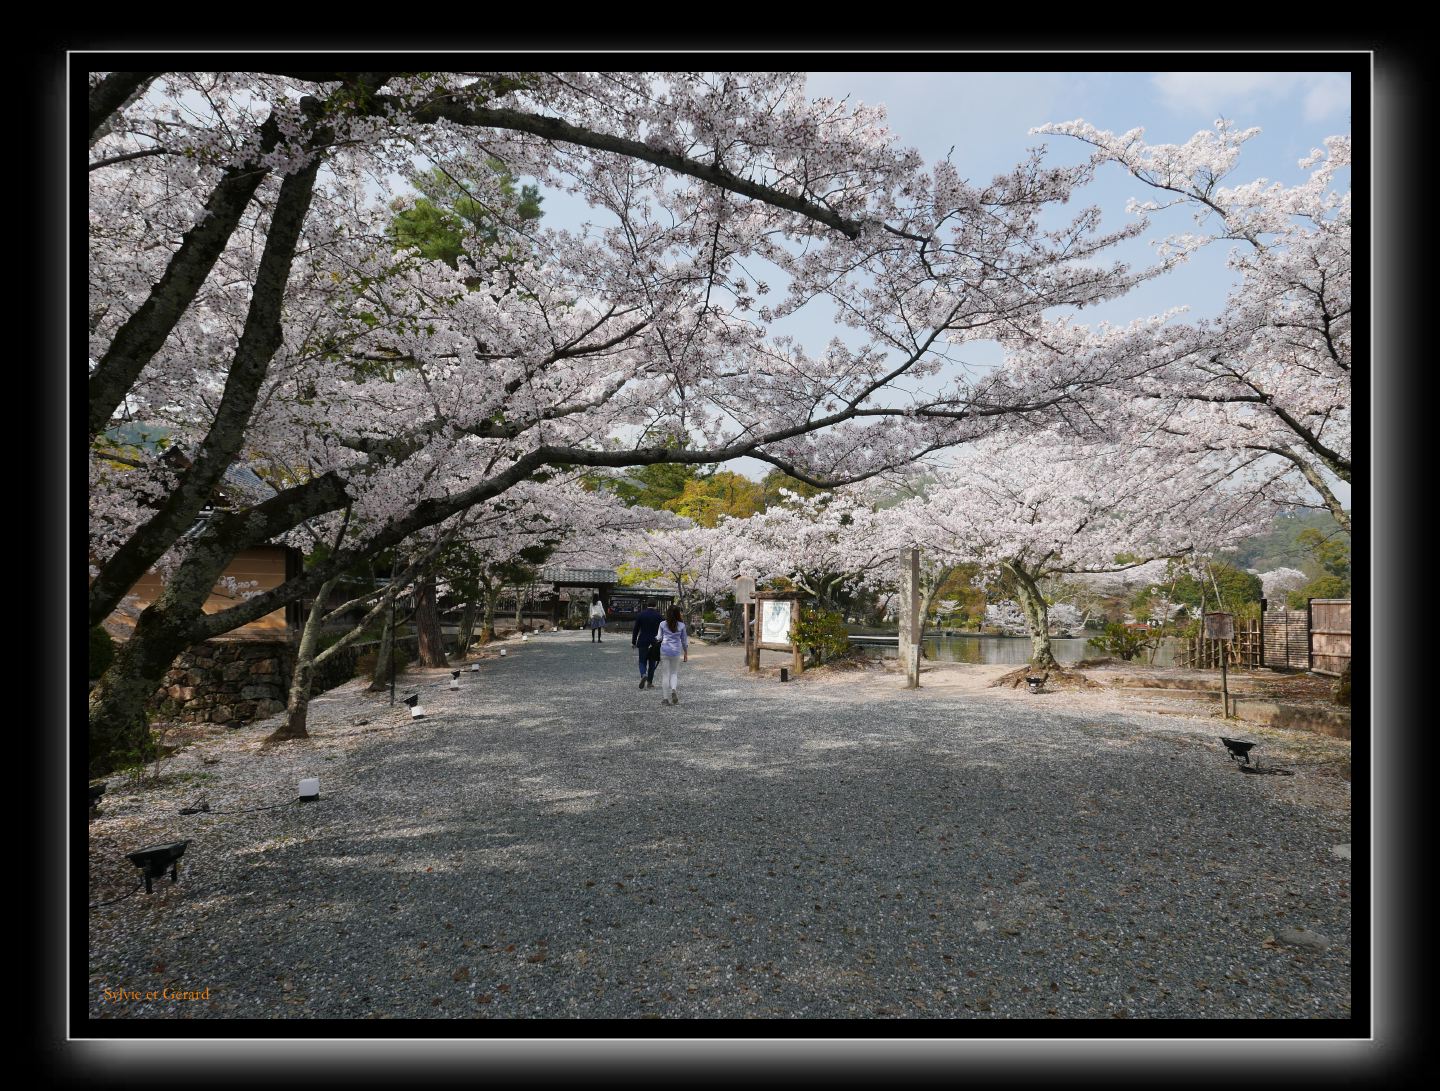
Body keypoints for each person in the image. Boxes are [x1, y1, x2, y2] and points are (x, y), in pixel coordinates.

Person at [656, 605, 689, 705]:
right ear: (678, 613)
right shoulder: (681, 625)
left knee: (665, 674)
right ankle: (673, 689)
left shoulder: (662, 624)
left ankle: (665, 699)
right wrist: (686, 652)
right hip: (676, 651)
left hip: (665, 650)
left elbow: (659, 637)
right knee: (674, 673)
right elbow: (684, 640)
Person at [631, 600, 664, 688]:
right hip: (655, 642)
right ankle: (649, 682)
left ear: (647, 605)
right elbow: (663, 630)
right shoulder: (659, 616)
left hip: (643, 640)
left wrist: (633, 642)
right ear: (655, 606)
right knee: (652, 661)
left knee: (642, 660)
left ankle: (643, 674)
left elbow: (636, 629)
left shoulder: (641, 615)